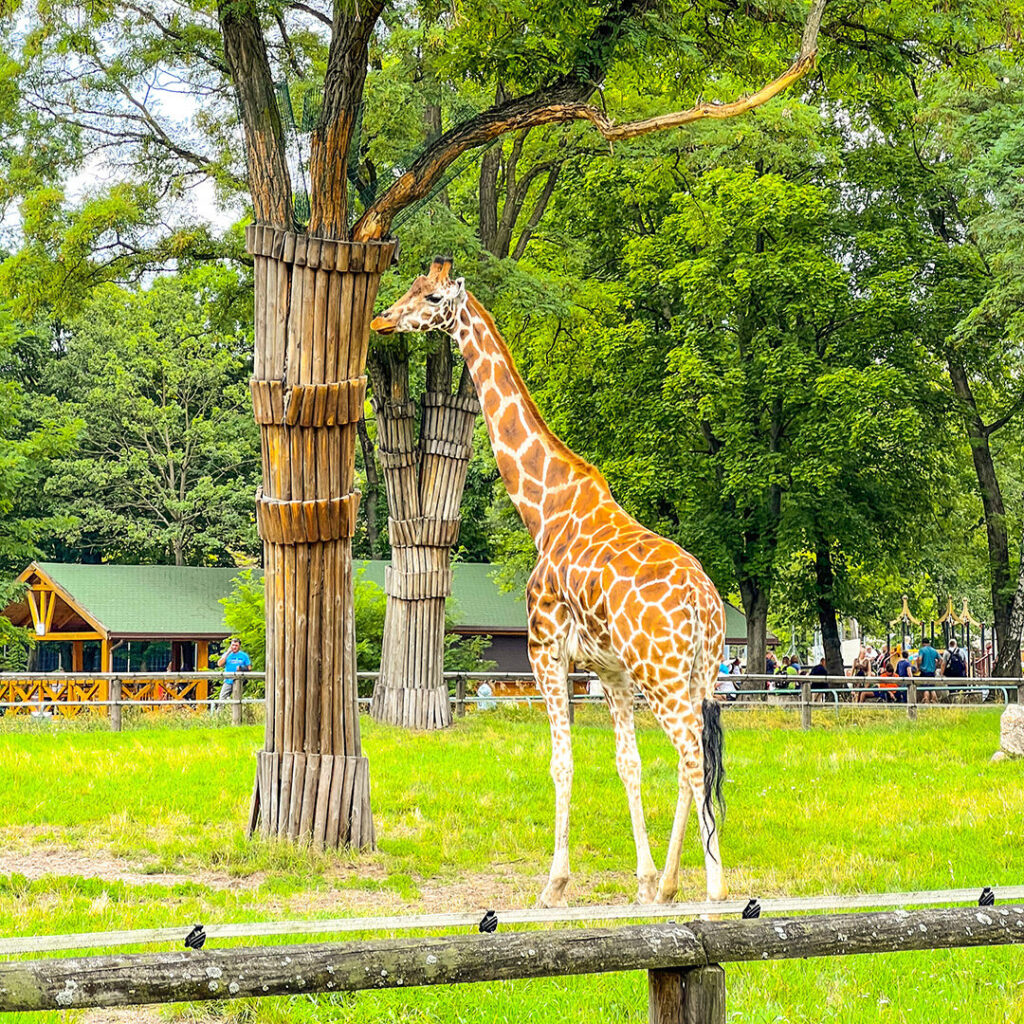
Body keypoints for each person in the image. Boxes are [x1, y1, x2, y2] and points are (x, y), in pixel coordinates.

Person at [215, 637, 251, 707]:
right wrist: (228, 652)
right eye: (233, 645)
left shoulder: (244, 656)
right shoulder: (227, 655)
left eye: (236, 645)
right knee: (222, 698)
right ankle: (220, 714)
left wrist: (241, 668)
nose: (234, 647)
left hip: (239, 681)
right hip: (228, 680)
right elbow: (219, 664)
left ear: (239, 646)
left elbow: (249, 668)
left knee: (237, 699)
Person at [916, 638, 940, 704]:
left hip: (924, 671)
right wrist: (936, 665)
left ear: (922, 643)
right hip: (932, 672)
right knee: (932, 687)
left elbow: (920, 659)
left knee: (925, 688)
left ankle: (926, 702)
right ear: (929, 643)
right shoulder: (934, 650)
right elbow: (941, 659)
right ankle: (935, 701)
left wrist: (919, 666)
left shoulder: (922, 650)